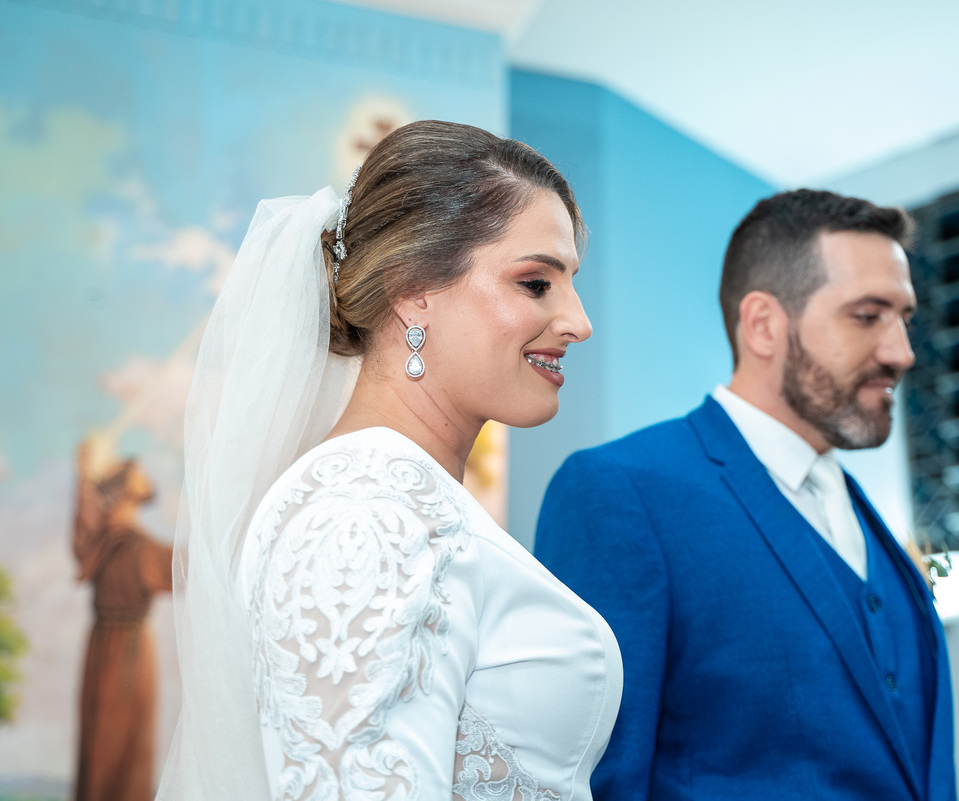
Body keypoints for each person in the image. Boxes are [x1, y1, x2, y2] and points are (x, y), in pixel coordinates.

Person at [157, 120, 622, 800]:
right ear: (412, 288)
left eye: (569, 282)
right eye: (535, 283)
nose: (578, 320)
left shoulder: (403, 498)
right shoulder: (364, 511)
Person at [536, 189, 956, 801]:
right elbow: (596, 781)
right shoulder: (621, 492)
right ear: (763, 325)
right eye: (867, 316)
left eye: (905, 319)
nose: (902, 353)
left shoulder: (868, 519)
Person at [73, 441, 173, 801]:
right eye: (137, 471)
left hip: (103, 644)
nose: (145, 476)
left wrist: (83, 477)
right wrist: (84, 475)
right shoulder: (133, 548)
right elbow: (189, 570)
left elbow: (84, 530)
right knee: (118, 739)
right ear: (124, 488)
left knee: (111, 738)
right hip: (129, 651)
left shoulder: (106, 542)